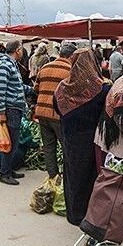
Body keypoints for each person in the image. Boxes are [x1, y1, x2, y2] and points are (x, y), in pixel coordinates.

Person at [54, 48, 111, 226]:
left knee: (72, 174)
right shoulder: (102, 88)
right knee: (91, 176)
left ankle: (74, 215)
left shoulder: (62, 87)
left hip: (70, 138)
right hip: (92, 140)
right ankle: (90, 216)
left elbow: (56, 108)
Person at [33, 43, 75, 178]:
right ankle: (68, 176)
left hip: (42, 113)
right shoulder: (71, 70)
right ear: (72, 56)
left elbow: (36, 89)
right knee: (66, 147)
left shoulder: (45, 67)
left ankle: (53, 176)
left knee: (49, 147)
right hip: (59, 115)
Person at [0, 39, 30, 186]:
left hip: (15, 108)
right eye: (21, 49)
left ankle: (8, 169)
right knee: (10, 142)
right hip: (10, 109)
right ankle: (5, 174)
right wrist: (1, 111)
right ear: (17, 50)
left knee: (13, 142)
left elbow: (17, 87)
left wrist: (34, 90)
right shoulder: (4, 65)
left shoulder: (11, 64)